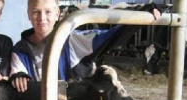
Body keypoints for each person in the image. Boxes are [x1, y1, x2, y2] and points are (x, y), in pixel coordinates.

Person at [10, 0, 161, 92]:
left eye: (48, 12)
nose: (42, 18)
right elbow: (17, 76)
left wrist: (141, 15)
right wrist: (17, 77)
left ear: (57, 14)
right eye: (36, 12)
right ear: (29, 15)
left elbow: (113, 36)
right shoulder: (20, 51)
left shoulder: (74, 41)